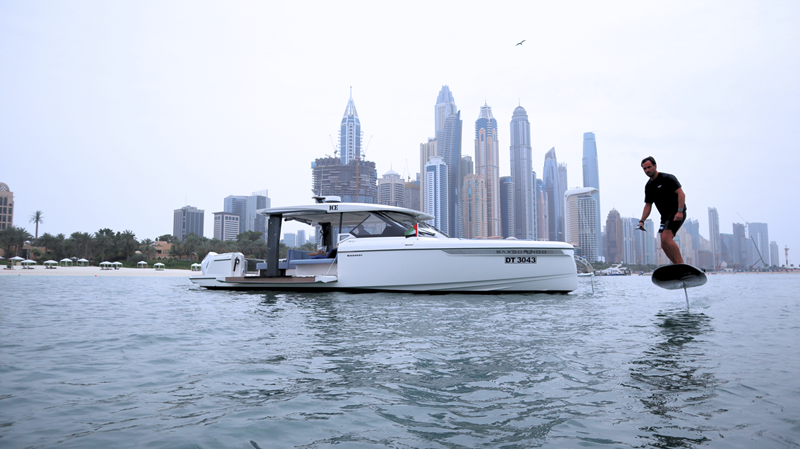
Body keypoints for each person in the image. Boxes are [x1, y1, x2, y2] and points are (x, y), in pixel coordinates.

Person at [639, 156, 686, 264]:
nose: (647, 171)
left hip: (676, 212)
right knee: (663, 243)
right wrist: (642, 221)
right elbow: (648, 205)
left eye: (649, 167)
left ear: (655, 166)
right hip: (665, 217)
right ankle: (677, 266)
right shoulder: (648, 186)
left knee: (666, 238)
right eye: (644, 169)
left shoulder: (668, 178)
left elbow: (681, 194)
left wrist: (680, 211)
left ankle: (681, 266)